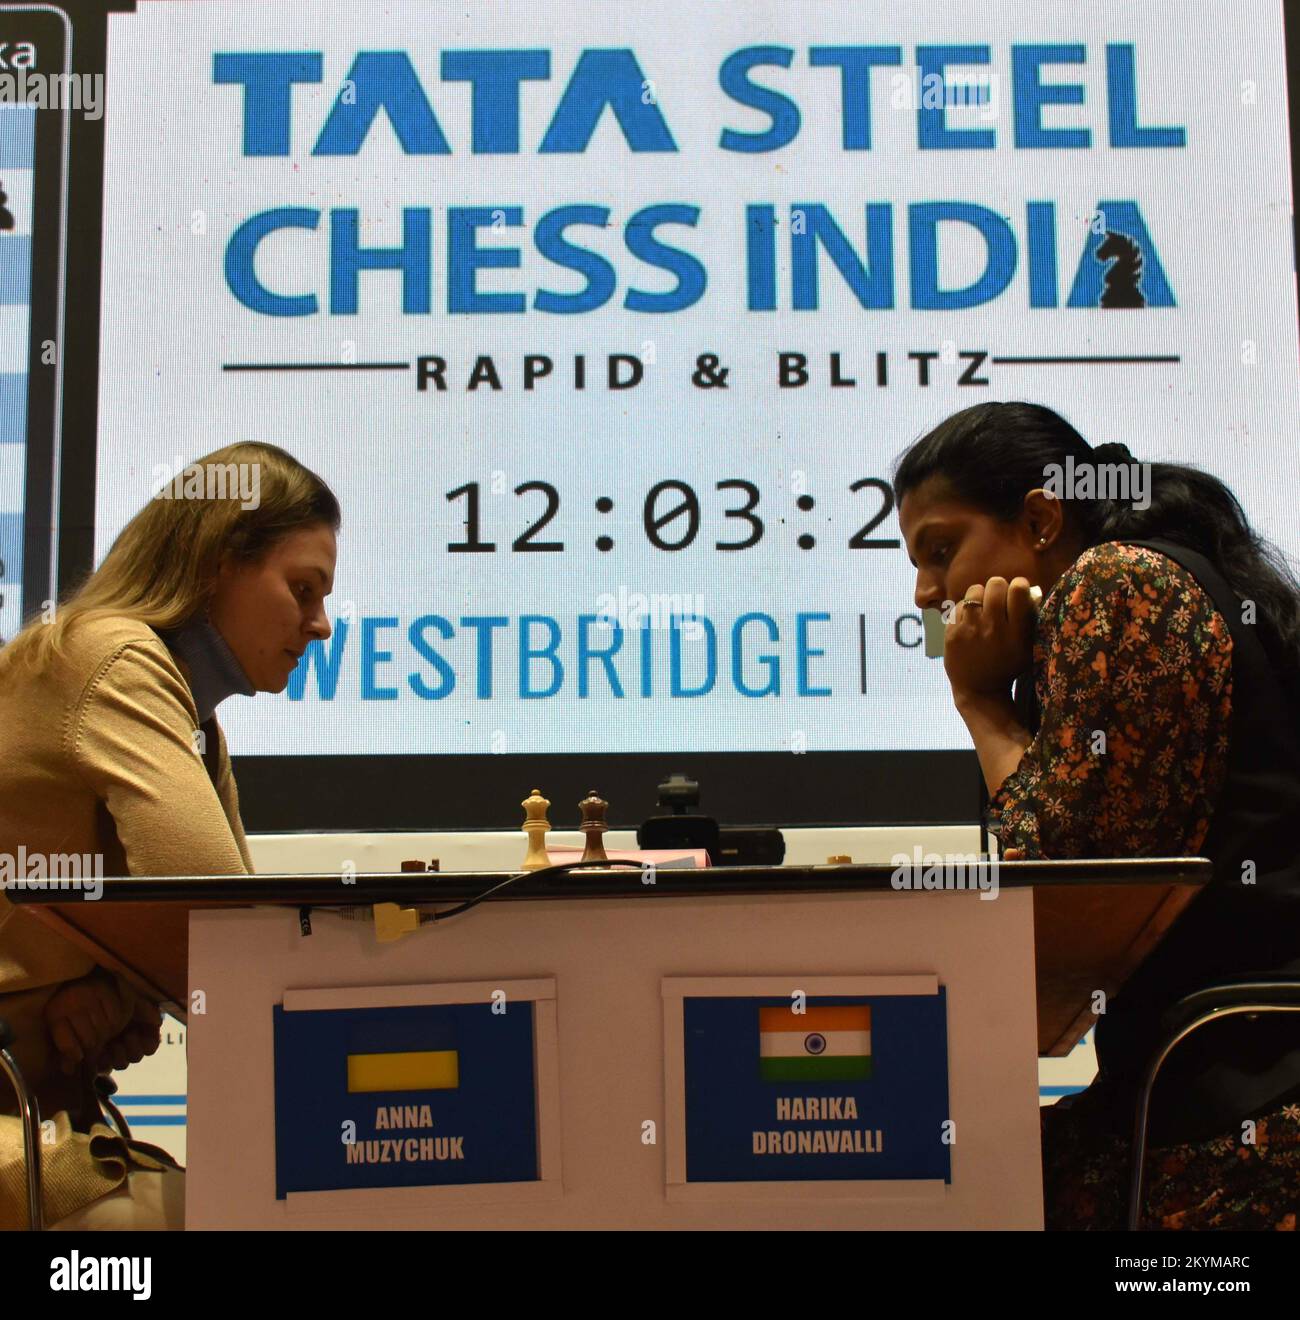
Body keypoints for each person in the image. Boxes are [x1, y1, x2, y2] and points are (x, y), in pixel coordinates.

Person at [894, 401, 1300, 1231]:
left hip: (1238, 1105)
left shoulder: (1117, 585)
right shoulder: (1146, 578)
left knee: (932, 1185)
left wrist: (978, 703)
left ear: (1041, 518)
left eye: (942, 551)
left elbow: (1054, 885)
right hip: (1211, 1076)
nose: (926, 592)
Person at [0, 441, 338, 1229]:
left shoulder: (195, 720)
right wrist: (124, 988)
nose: (319, 626)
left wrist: (110, 994)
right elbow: (224, 928)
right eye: (302, 590)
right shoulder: (114, 659)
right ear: (221, 560)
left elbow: (213, 943)